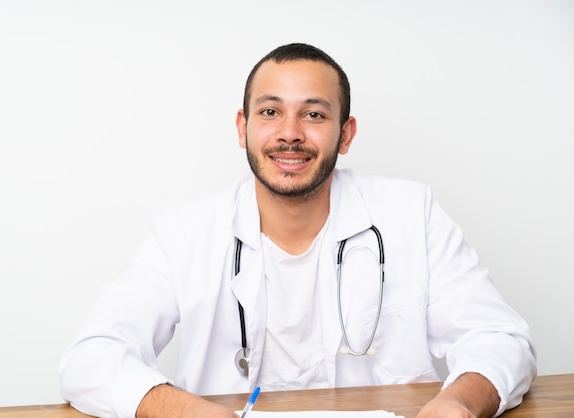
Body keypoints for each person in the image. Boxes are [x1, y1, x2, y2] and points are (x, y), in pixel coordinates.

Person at [59, 43, 536, 418]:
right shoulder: (184, 233)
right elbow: (92, 359)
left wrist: (459, 403)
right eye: (270, 112)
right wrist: (181, 409)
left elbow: (499, 339)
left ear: (345, 134)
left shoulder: (412, 214)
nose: (290, 133)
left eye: (314, 114)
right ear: (243, 127)